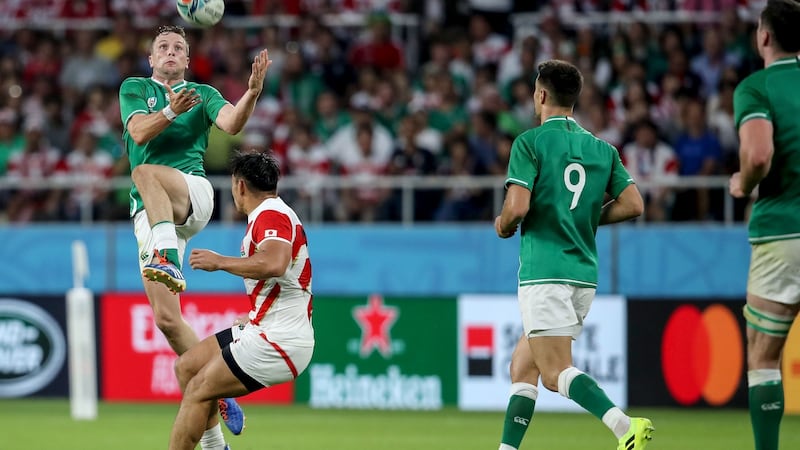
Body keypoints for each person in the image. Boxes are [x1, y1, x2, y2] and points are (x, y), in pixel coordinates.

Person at [118, 25, 270, 441]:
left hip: (192, 194)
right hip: (149, 212)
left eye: (178, 48)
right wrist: (169, 111)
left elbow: (232, 122)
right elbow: (138, 132)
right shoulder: (134, 88)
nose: (170, 52)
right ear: (152, 59)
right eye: (163, 47)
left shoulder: (200, 94)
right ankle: (214, 429)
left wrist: (251, 94)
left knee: (143, 170)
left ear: (186, 60)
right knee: (168, 321)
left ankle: (167, 254)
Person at [493, 60, 651, 450]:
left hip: (544, 272)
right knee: (522, 366)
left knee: (554, 372)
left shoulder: (528, 143)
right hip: (582, 273)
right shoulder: (602, 149)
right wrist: (586, 219)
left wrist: (502, 224)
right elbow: (633, 204)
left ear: (541, 95)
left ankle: (624, 426)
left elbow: (517, 207)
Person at [172, 150, 315, 450]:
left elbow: (276, 263)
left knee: (198, 389)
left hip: (281, 341)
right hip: (265, 327)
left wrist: (219, 262)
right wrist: (255, 314)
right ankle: (217, 447)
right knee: (187, 368)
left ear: (239, 186)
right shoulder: (272, 213)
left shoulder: (270, 214)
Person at [728, 1, 800, 449]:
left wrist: (743, 182)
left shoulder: (757, 88)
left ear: (764, 37)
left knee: (764, 354)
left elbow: (758, 154)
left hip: (784, 233)